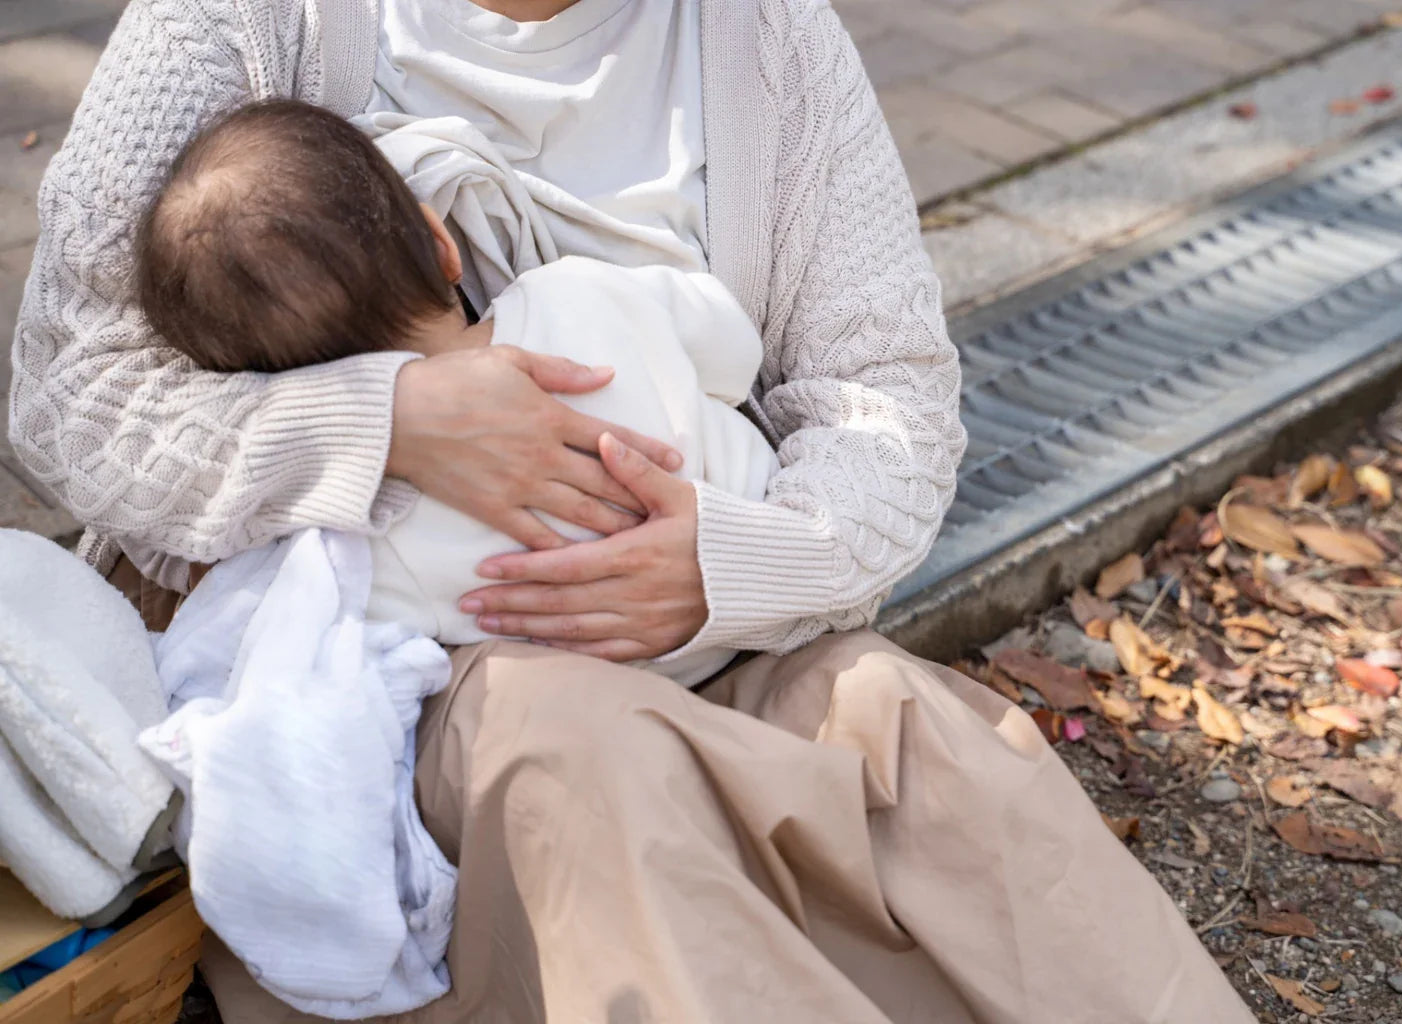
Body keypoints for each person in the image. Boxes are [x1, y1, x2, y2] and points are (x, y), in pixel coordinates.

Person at [8, 0, 1258, 1020]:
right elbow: (67, 394)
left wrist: (725, 562)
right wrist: (391, 420)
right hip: (382, 658)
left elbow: (891, 402)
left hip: (696, 604)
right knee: (590, 761)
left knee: (909, 733)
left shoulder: (768, 44)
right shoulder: (250, 16)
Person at [135, 98, 776, 683]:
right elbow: (735, 352)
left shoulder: (373, 542)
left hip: (637, 684)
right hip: (751, 567)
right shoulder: (581, 290)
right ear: (443, 245)